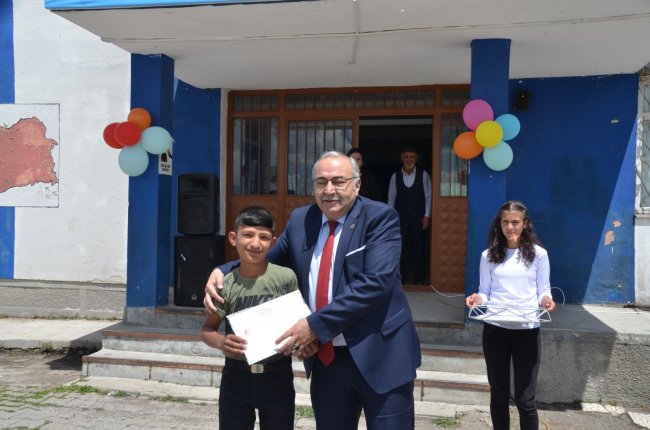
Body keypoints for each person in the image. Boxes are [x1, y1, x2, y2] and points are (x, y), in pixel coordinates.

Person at [204, 151, 422, 430]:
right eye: (321, 182)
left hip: (380, 353)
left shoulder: (380, 217)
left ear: (356, 185)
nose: (329, 190)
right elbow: (268, 260)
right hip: (328, 359)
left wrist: (314, 325)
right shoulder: (301, 220)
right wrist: (224, 269)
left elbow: (376, 282)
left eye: (338, 181)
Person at [200, 206, 306, 430]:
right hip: (236, 377)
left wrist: (300, 344)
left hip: (277, 375)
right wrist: (221, 341)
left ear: (273, 242)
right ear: (233, 238)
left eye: (264, 237)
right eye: (247, 235)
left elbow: (297, 322)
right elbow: (207, 329)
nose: (255, 243)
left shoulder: (285, 278)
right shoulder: (225, 284)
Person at [465, 200, 556, 430]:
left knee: (526, 400)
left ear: (525, 223)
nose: (510, 227)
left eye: (515, 222)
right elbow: (485, 292)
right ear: (499, 223)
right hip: (495, 331)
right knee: (499, 396)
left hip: (526, 330)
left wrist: (546, 300)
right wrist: (477, 299)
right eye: (505, 222)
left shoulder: (539, 255)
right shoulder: (488, 255)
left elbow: (543, 290)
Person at [387, 147, 432, 284]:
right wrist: (390, 220)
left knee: (419, 248)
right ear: (402, 158)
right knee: (400, 249)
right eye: (406, 157)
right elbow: (391, 201)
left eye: (412, 157)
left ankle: (420, 278)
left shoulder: (423, 175)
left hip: (419, 218)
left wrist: (427, 216)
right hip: (400, 219)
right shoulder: (395, 176)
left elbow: (428, 198)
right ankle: (400, 278)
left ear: (416, 158)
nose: (409, 159)